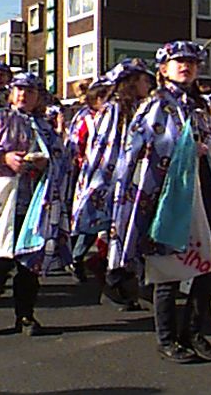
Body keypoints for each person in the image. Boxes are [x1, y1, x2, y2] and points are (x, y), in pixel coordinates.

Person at [109, 40, 211, 363]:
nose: (186, 66)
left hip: (200, 193)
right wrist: (184, 151)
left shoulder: (198, 107)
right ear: (163, 69)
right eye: (179, 61)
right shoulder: (155, 105)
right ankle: (167, 339)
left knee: (208, 268)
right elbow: (139, 151)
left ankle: (193, 333)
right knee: (167, 272)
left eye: (191, 62)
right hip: (166, 198)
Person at [0, 72, 72, 336]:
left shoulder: (45, 127)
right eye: (19, 90)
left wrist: (46, 163)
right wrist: (3, 157)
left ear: (38, 97)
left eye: (30, 91)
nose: (24, 95)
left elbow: (61, 156)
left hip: (34, 202)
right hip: (1, 201)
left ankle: (25, 315)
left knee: (29, 261)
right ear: (11, 94)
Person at [69, 59, 154, 286]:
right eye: (145, 80)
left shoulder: (139, 107)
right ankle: (111, 278)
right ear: (132, 82)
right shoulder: (114, 109)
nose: (148, 85)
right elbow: (104, 150)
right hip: (116, 181)